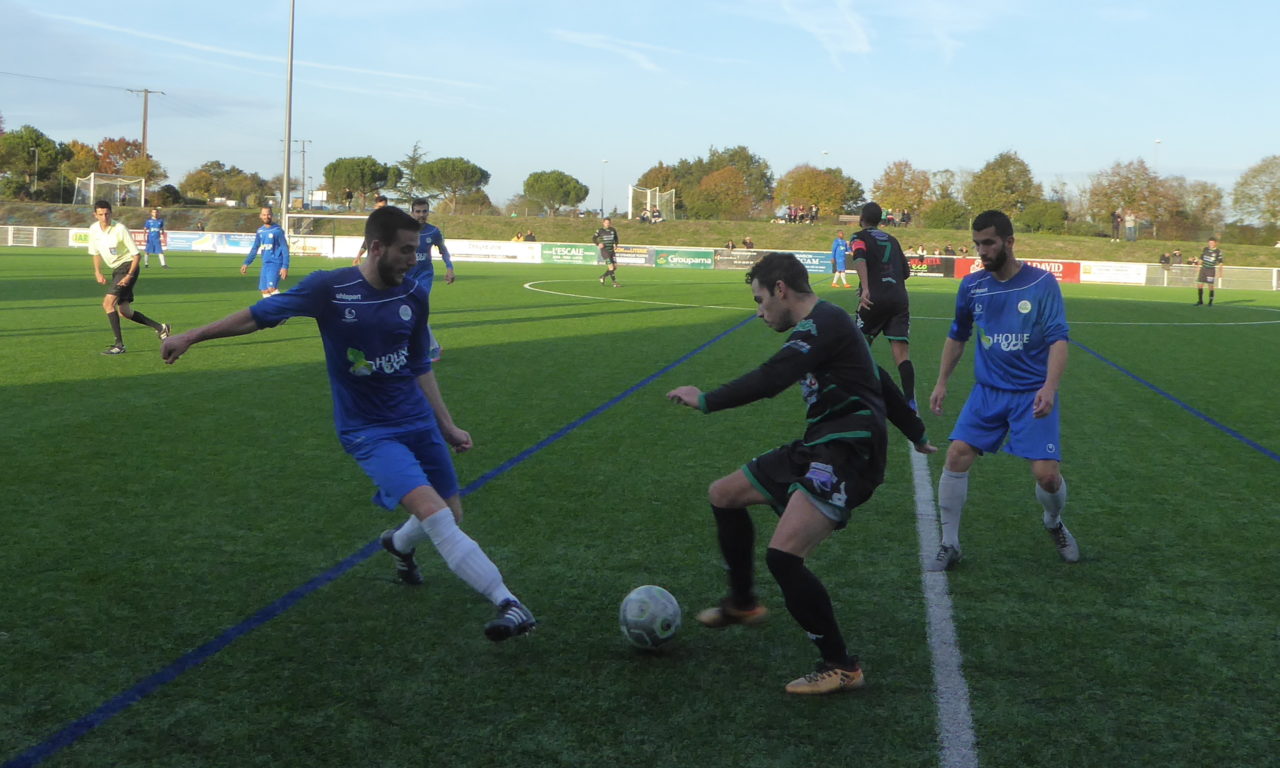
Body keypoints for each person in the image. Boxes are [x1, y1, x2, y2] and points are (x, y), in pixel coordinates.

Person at [160, 206, 536, 641]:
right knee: (436, 516)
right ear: (376, 247)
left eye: (417, 250)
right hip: (369, 431)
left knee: (451, 513)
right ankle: (509, 602)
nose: (414, 259)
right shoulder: (330, 288)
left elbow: (419, 365)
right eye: (406, 250)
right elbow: (257, 316)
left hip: (417, 420)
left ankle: (398, 545)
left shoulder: (414, 295)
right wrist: (191, 336)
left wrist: (447, 425)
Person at [667, 252, 936, 695]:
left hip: (850, 450)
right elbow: (879, 377)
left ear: (780, 289)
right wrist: (916, 431)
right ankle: (742, 602)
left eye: (760, 300)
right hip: (819, 444)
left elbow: (773, 377)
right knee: (724, 494)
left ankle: (841, 666)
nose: (759, 312)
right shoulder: (828, 324)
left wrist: (707, 399)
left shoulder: (822, 324)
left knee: (784, 556)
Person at [927, 210, 1077, 572]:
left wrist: (1050, 387)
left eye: (989, 243)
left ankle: (1053, 522)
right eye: (977, 244)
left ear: (1009, 242)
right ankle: (949, 543)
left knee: (1047, 476)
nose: (982, 251)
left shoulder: (1041, 283)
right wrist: (942, 381)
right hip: (988, 392)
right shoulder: (972, 286)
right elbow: (957, 336)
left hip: (1031, 393)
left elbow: (1058, 339)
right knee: (957, 454)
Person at [850, 202, 916, 408]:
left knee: (857, 348)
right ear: (880, 220)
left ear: (862, 218)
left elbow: (859, 257)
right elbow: (906, 272)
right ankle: (910, 402)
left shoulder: (858, 237)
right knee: (902, 354)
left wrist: (866, 287)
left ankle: (859, 397)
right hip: (899, 298)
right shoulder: (892, 240)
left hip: (874, 298)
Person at [88, 200, 171, 355]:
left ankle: (119, 345)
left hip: (127, 267)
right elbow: (95, 253)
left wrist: (129, 276)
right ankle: (161, 328)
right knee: (125, 311)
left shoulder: (120, 229)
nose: (104, 217)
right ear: (95, 215)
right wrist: (97, 272)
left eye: (107, 214)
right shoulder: (93, 230)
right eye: (101, 214)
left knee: (107, 304)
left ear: (111, 213)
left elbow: (136, 255)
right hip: (116, 270)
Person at [241, 206, 290, 298]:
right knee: (265, 291)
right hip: (265, 264)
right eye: (264, 215)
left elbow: (285, 248)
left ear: (272, 215)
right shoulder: (260, 231)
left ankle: (286, 304)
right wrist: (246, 263)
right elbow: (255, 248)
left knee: (272, 288)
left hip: (276, 263)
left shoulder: (277, 230)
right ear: (260, 216)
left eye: (268, 214)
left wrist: (285, 266)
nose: (266, 217)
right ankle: (271, 308)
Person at [351, 196, 391, 265]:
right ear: (375, 207)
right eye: (379, 207)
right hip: (373, 260)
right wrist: (359, 255)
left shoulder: (392, 222)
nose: (382, 210)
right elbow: (367, 240)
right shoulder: (372, 222)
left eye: (384, 207)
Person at [1195, 238, 1224, 305]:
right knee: (1199, 285)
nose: (1211, 244)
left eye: (1212, 243)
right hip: (1203, 269)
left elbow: (1220, 263)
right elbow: (1201, 258)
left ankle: (1210, 301)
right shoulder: (1205, 249)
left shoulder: (1218, 251)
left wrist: (1220, 272)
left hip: (1210, 270)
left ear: (1215, 243)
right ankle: (1200, 301)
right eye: (1210, 243)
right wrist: (1198, 266)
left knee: (1210, 286)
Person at [593, 217, 620, 287]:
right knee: (611, 267)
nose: (607, 224)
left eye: (608, 223)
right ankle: (614, 282)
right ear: (603, 223)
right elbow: (594, 238)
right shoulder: (600, 230)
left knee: (615, 267)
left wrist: (616, 244)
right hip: (605, 251)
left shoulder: (613, 230)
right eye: (606, 223)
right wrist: (598, 244)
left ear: (610, 223)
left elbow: (616, 238)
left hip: (612, 251)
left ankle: (602, 277)